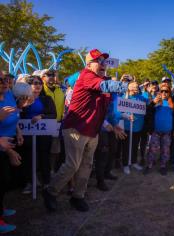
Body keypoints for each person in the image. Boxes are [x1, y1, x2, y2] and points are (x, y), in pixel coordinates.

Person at [42, 49, 128, 212]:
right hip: (76, 128)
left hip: (92, 131)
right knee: (72, 165)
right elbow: (106, 85)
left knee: (87, 165)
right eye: (99, 61)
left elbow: (106, 110)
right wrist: (124, 85)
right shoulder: (87, 75)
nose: (104, 64)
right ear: (89, 64)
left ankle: (78, 196)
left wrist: (114, 123)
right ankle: (50, 191)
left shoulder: (102, 82)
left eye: (104, 61)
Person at [0, 72, 31, 234]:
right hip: (3, 145)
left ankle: (1, 209)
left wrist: (18, 132)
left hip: (7, 143)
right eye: (1, 81)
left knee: (5, 179)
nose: (5, 83)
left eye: (6, 80)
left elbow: (14, 116)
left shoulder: (8, 95)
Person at [20, 75, 57, 194]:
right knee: (28, 158)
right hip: (27, 134)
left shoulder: (47, 99)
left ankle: (46, 183)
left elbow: (53, 114)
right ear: (29, 85)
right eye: (34, 83)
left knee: (44, 158)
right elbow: (17, 115)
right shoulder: (22, 99)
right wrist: (22, 106)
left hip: (43, 133)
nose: (38, 85)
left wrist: (41, 116)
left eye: (39, 83)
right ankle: (31, 183)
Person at [144, 84, 174, 175]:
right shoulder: (155, 102)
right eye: (162, 91)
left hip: (167, 132)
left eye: (166, 91)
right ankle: (149, 165)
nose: (164, 93)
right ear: (159, 92)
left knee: (165, 150)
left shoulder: (173, 104)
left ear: (169, 93)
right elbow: (147, 113)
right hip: (156, 131)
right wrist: (152, 103)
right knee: (152, 149)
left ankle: (163, 166)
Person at [121, 81, 148, 174]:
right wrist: (126, 116)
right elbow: (119, 111)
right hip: (127, 126)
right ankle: (125, 164)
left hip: (138, 127)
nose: (137, 88)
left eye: (137, 87)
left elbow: (149, 104)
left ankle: (133, 162)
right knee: (126, 146)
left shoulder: (142, 98)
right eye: (135, 86)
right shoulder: (124, 97)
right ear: (129, 87)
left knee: (135, 146)